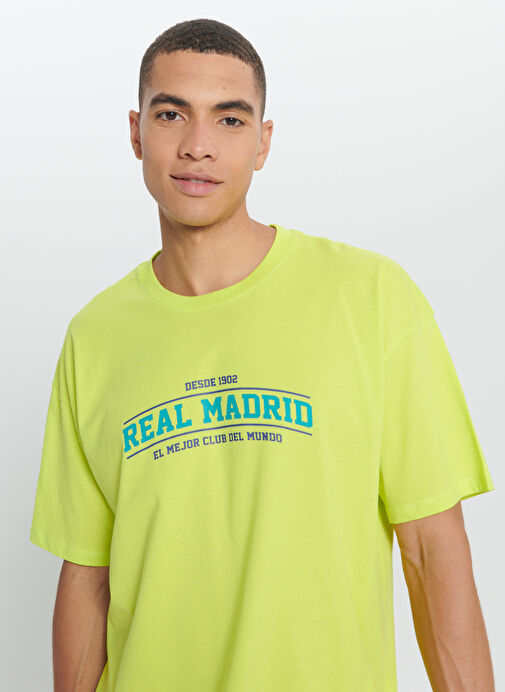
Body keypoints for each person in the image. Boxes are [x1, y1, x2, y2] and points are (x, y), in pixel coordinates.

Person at [29, 17, 496, 692]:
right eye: (171, 114)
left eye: (229, 120)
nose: (197, 146)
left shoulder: (371, 298)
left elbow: (431, 550)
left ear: (262, 143)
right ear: (136, 132)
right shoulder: (95, 336)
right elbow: (86, 576)